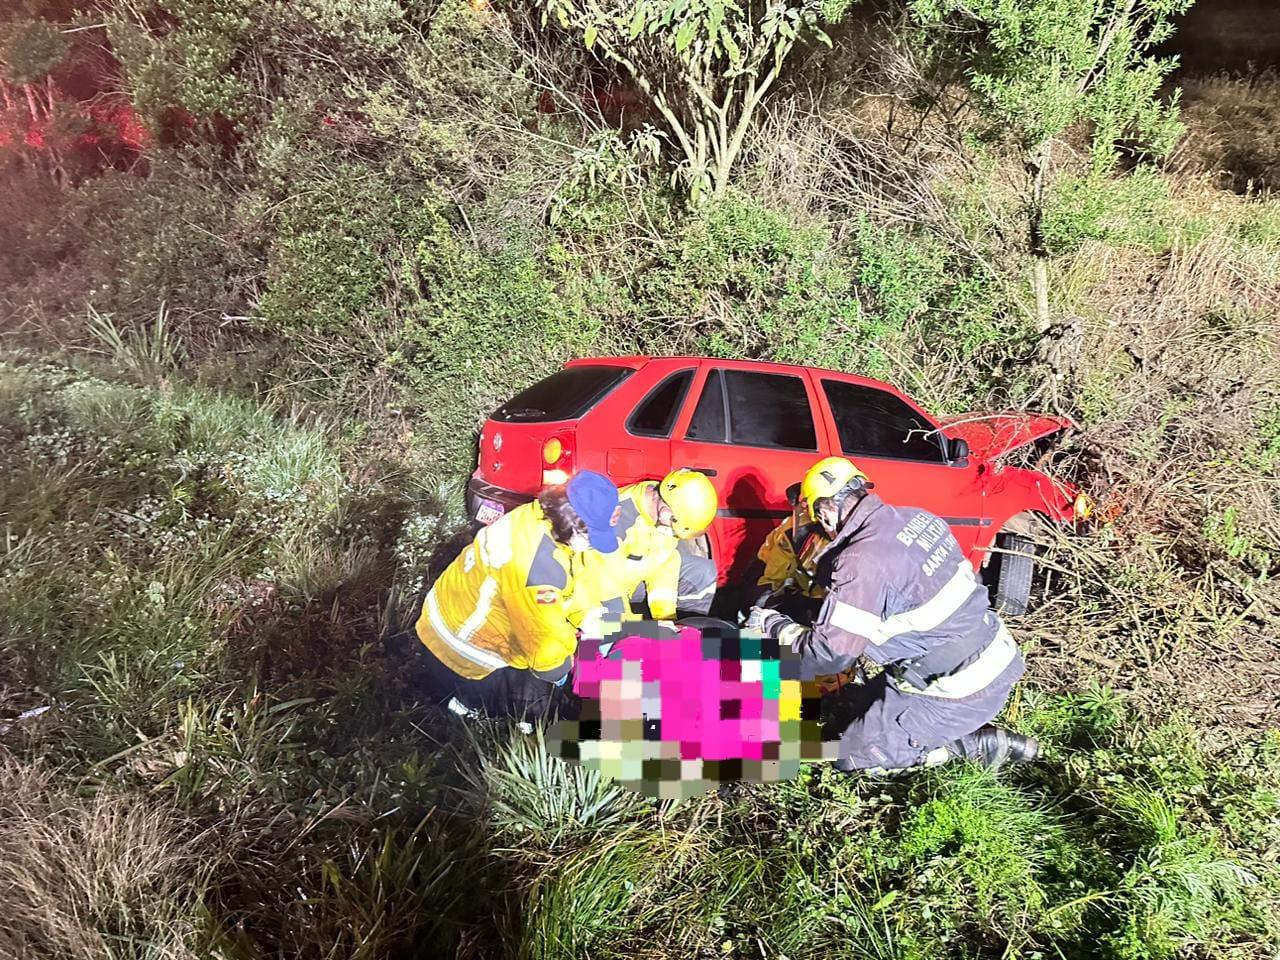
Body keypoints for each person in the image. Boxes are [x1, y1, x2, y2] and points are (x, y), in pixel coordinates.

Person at [746, 456, 1040, 772]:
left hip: (960, 687)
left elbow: (828, 656)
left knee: (855, 759)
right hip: (988, 653)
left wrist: (773, 626)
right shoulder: (917, 518)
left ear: (828, 509)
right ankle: (918, 726)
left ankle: (972, 746)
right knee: (852, 715)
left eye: (817, 514)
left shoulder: (862, 561)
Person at [414, 470, 621, 721]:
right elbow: (545, 651)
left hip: (441, 622)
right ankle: (469, 708)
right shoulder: (538, 571)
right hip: (463, 656)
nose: (592, 545)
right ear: (571, 523)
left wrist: (586, 615)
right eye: (590, 537)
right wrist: (566, 673)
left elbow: (569, 578)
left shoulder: (534, 517)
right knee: (541, 700)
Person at [577, 468, 719, 624]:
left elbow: (664, 565)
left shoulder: (668, 511)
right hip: (590, 591)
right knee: (614, 634)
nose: (674, 535)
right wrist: (626, 624)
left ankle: (689, 630)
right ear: (665, 511)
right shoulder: (616, 518)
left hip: (630, 581)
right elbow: (604, 583)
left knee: (701, 572)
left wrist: (666, 619)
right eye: (674, 529)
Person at [754, 482, 830, 623]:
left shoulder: (795, 529)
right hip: (804, 592)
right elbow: (774, 573)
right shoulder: (794, 532)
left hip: (820, 598)